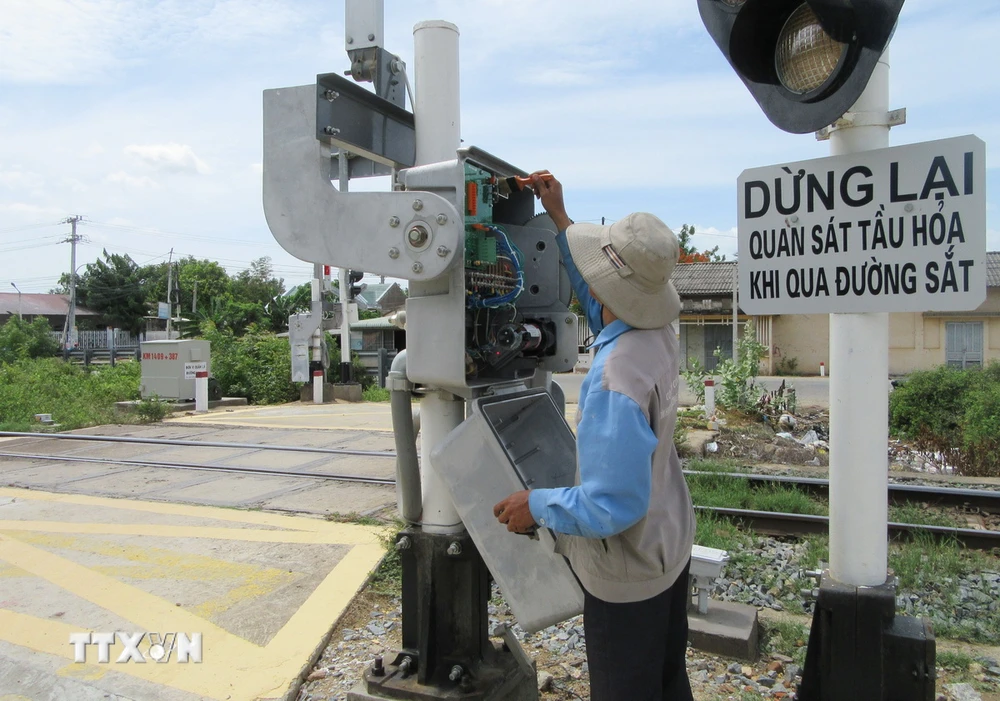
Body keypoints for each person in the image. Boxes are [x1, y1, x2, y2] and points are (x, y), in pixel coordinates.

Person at [493, 172, 695, 701]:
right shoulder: (656, 332)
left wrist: (536, 505)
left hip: (628, 577)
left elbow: (613, 504)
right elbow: (598, 295)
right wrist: (559, 217)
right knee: (668, 682)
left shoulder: (613, 380)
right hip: (669, 546)